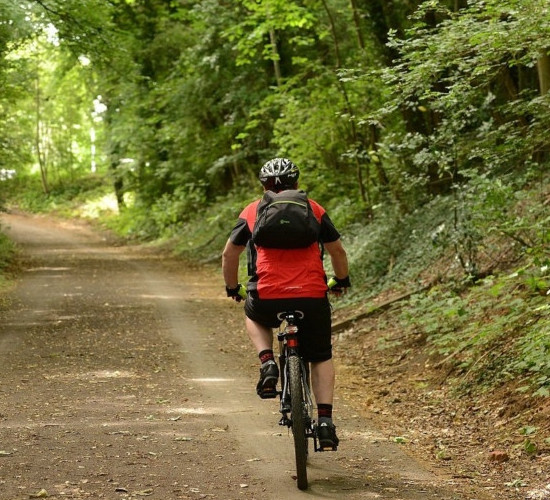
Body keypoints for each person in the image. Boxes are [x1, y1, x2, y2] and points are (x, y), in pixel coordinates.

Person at [221, 157, 350, 450]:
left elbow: (230, 255)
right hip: (312, 295)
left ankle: (267, 361)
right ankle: (326, 421)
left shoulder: (253, 211)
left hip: (267, 294)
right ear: (297, 183)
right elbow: (337, 252)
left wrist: (232, 287)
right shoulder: (314, 209)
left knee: (253, 315)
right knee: (320, 355)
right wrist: (341, 280)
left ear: (264, 185)